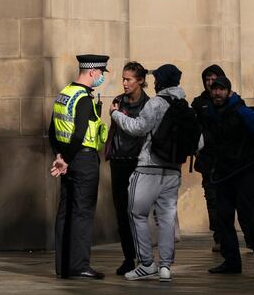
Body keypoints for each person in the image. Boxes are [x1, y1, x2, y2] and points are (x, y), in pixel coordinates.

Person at [109, 64, 188, 282]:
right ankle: (165, 266)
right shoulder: (184, 105)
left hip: (148, 168)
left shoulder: (155, 103)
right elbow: (197, 142)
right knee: (166, 218)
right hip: (173, 171)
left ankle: (145, 263)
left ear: (160, 82)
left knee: (136, 213)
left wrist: (115, 115)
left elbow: (137, 128)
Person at [206, 77, 254, 275]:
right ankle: (231, 261)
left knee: (252, 221)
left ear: (229, 91)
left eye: (221, 89)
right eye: (214, 89)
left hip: (244, 174)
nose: (217, 93)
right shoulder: (213, 113)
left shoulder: (243, 113)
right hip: (223, 175)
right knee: (224, 219)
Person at [49, 54, 110, 280]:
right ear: (93, 72)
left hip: (68, 159)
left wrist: (60, 155)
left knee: (65, 212)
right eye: (101, 73)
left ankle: (63, 267)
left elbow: (52, 131)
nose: (102, 77)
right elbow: (79, 133)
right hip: (82, 160)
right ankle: (80, 265)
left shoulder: (64, 94)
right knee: (83, 213)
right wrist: (66, 159)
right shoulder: (84, 98)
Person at [191, 64, 252, 252]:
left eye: (214, 80)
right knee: (213, 200)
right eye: (207, 79)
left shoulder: (233, 102)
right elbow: (193, 127)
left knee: (242, 200)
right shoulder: (198, 102)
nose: (210, 84)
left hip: (232, 159)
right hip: (209, 159)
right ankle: (220, 238)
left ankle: (250, 237)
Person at [105, 61, 150, 276]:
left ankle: (144, 258)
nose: (124, 83)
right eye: (123, 79)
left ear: (140, 80)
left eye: (128, 79)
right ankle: (128, 258)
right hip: (119, 161)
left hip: (139, 164)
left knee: (137, 212)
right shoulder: (118, 101)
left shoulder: (149, 104)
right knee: (121, 212)